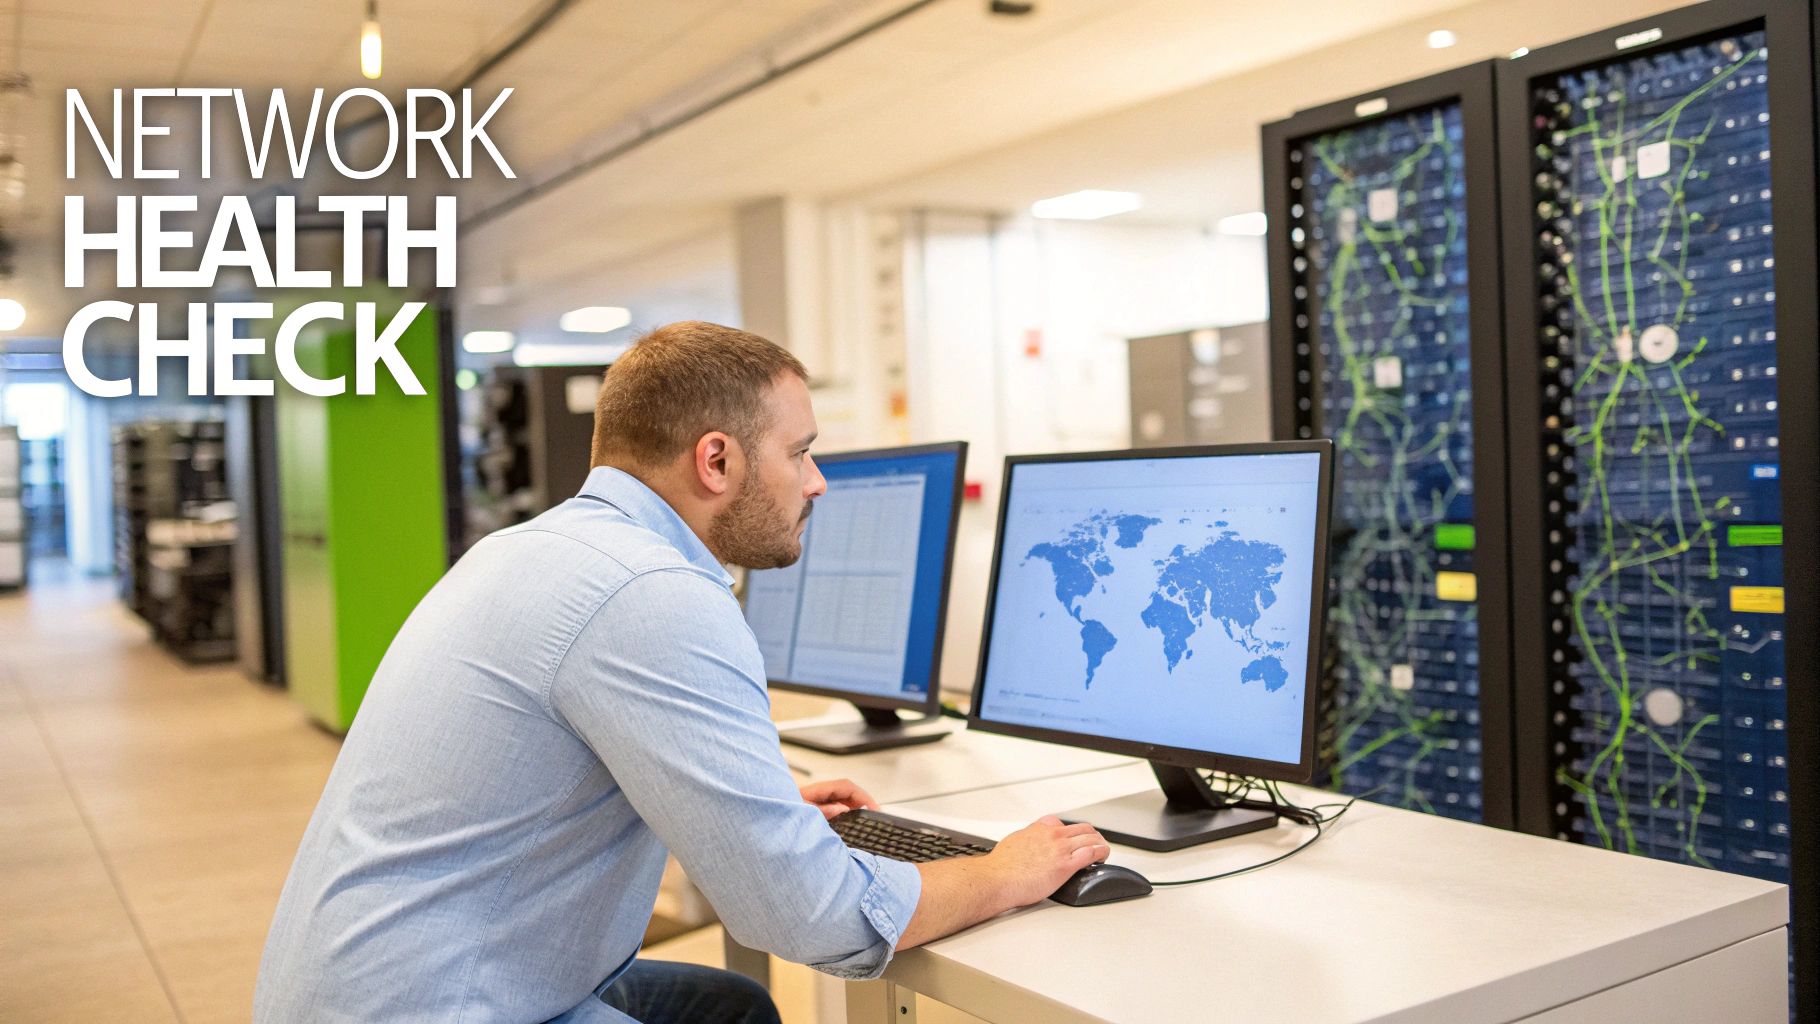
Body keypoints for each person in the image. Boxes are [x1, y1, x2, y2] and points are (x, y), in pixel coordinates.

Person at [254, 321, 1111, 1024]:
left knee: (726, 1009)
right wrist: (1005, 871)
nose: (816, 482)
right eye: (800, 452)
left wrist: (747, 810)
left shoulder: (532, 549)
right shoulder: (657, 594)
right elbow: (814, 918)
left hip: (360, 983)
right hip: (435, 1007)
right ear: (716, 461)